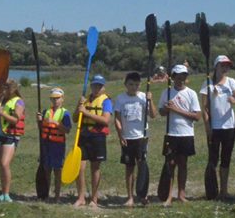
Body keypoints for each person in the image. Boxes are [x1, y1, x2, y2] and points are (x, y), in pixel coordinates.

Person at [158, 65, 201, 206]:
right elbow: (161, 112)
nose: (181, 78)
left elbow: (197, 116)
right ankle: (168, 196)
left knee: (183, 164)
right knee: (170, 164)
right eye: (178, 75)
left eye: (184, 75)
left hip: (186, 134)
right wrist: (166, 109)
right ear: (173, 77)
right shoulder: (167, 92)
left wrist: (176, 109)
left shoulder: (191, 93)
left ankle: (181, 194)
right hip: (171, 134)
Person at [200, 55, 235, 199]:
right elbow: (204, 108)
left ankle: (224, 190)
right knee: (213, 159)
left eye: (227, 66)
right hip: (214, 127)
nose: (225, 68)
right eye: (222, 65)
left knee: (226, 159)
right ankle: (212, 190)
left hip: (229, 126)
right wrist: (207, 127)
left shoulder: (231, 82)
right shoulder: (207, 84)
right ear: (216, 67)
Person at [74, 75, 113, 208]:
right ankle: (81, 197)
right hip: (83, 135)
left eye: (99, 86)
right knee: (79, 168)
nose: (96, 88)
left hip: (97, 137)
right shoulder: (85, 100)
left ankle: (94, 198)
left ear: (103, 87)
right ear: (91, 86)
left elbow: (106, 120)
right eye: (94, 85)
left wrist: (86, 113)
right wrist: (78, 107)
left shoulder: (106, 101)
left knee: (95, 168)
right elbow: (75, 119)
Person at [113, 72, 151, 207]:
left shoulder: (143, 97)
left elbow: (152, 115)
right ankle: (130, 197)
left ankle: (143, 194)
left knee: (142, 166)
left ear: (140, 85)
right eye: (131, 84)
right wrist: (120, 134)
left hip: (141, 137)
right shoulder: (120, 99)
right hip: (127, 138)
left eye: (136, 84)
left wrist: (149, 101)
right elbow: (116, 118)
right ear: (126, 85)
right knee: (129, 168)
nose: (134, 87)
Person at [0, 78, 25, 203]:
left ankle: (7, 194)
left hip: (11, 135)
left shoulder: (19, 102)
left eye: (6, 88)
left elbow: (16, 120)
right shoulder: (2, 101)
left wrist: (2, 113)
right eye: (3, 88)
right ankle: (2, 192)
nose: (3, 90)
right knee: (1, 164)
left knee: (5, 163)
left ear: (13, 89)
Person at [39, 87, 72, 202]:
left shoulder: (65, 113)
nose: (55, 101)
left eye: (57, 98)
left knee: (58, 171)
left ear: (62, 99)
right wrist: (39, 120)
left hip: (58, 145)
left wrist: (56, 123)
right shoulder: (46, 112)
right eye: (53, 98)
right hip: (46, 144)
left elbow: (67, 130)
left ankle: (57, 196)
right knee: (47, 169)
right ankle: (46, 195)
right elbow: (41, 128)